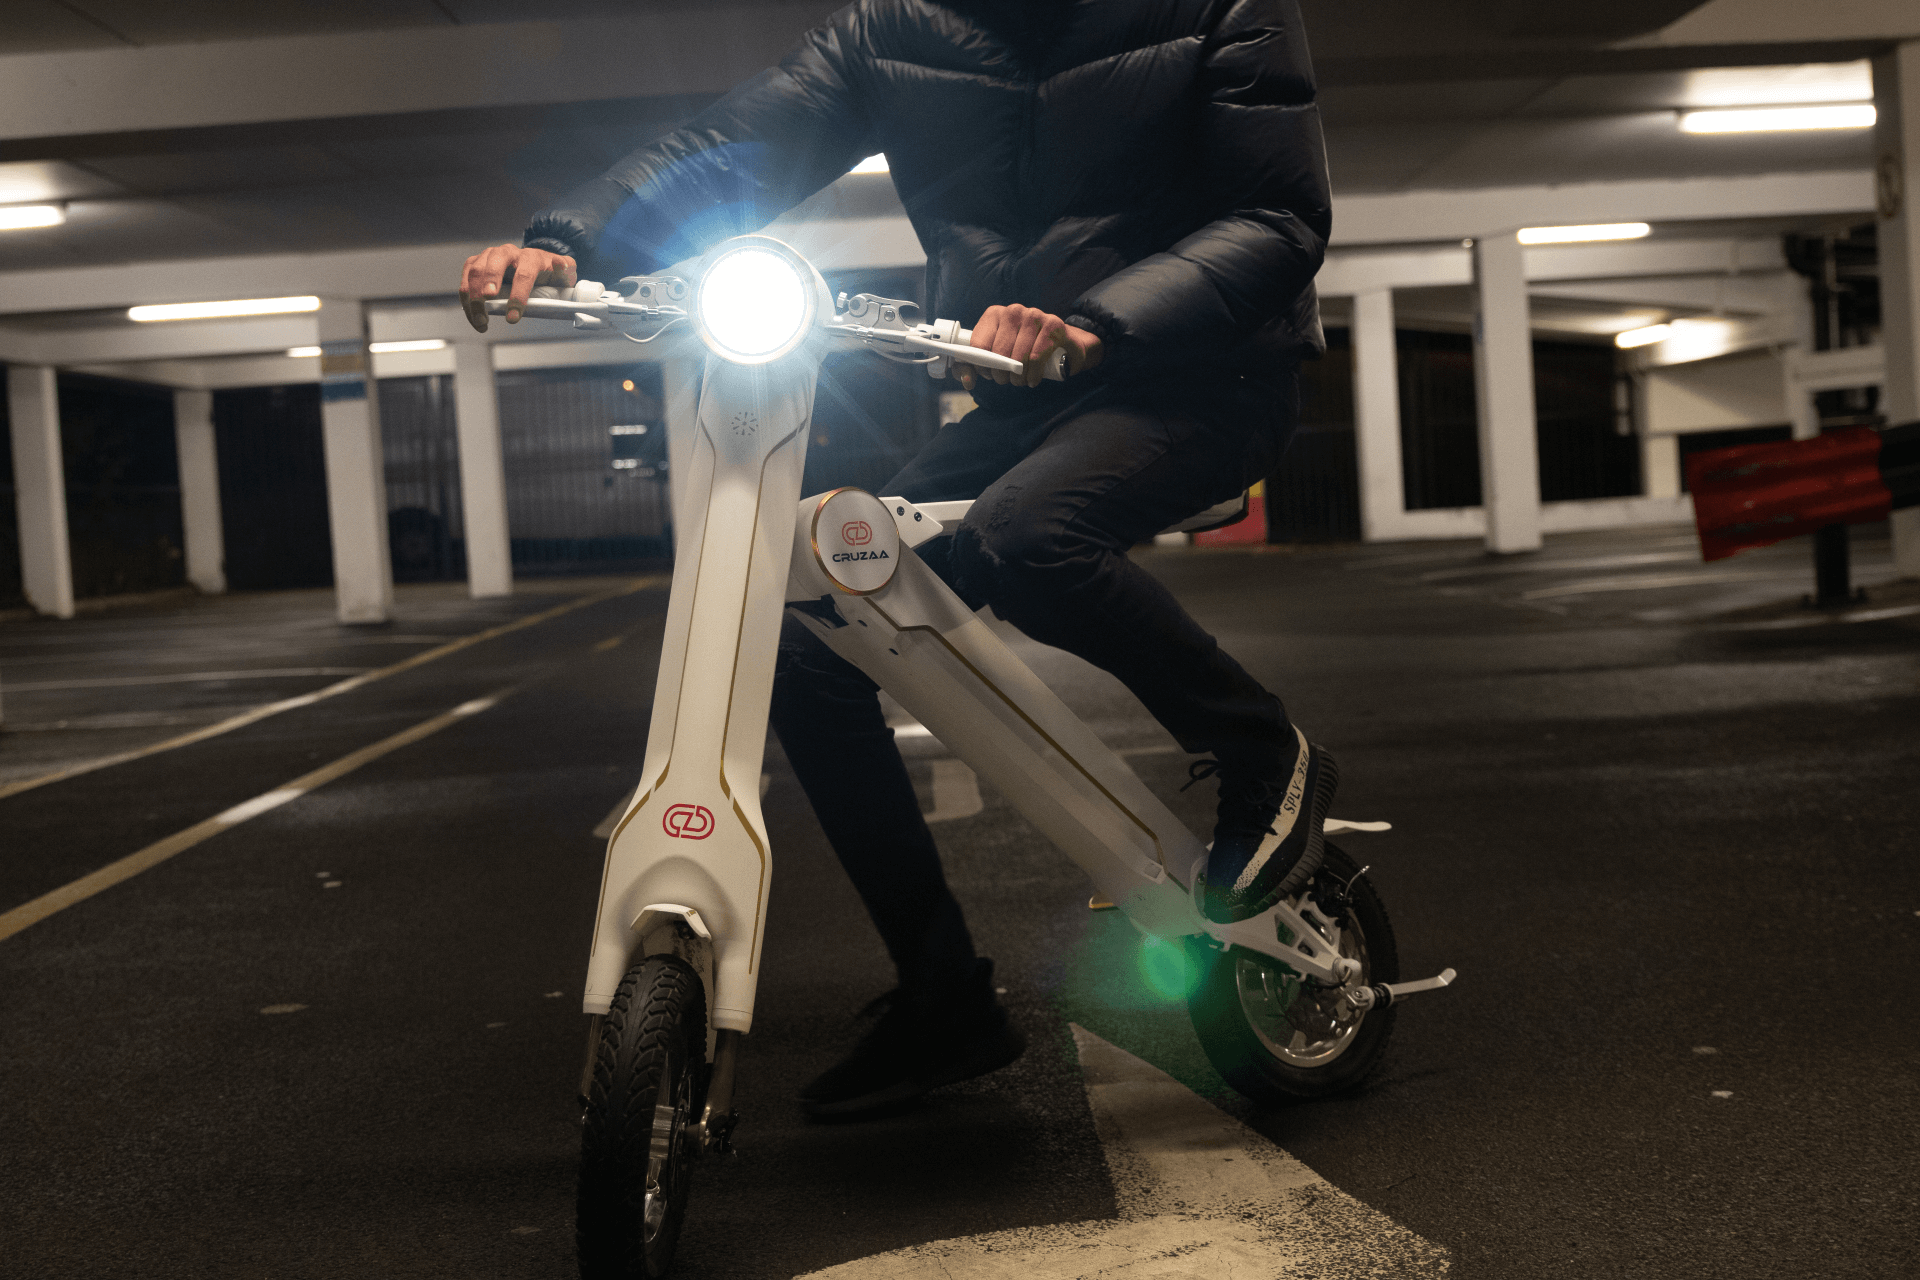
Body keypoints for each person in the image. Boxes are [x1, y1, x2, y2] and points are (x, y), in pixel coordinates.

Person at [459, 0, 1337, 1121]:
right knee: (812, 641)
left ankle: (1263, 750)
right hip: (1026, 394)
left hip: (1206, 378)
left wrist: (1097, 322)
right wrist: (567, 236)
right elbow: (729, 144)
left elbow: (1277, 213)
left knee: (1025, 536)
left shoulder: (1219, 9)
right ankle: (944, 992)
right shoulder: (890, 31)